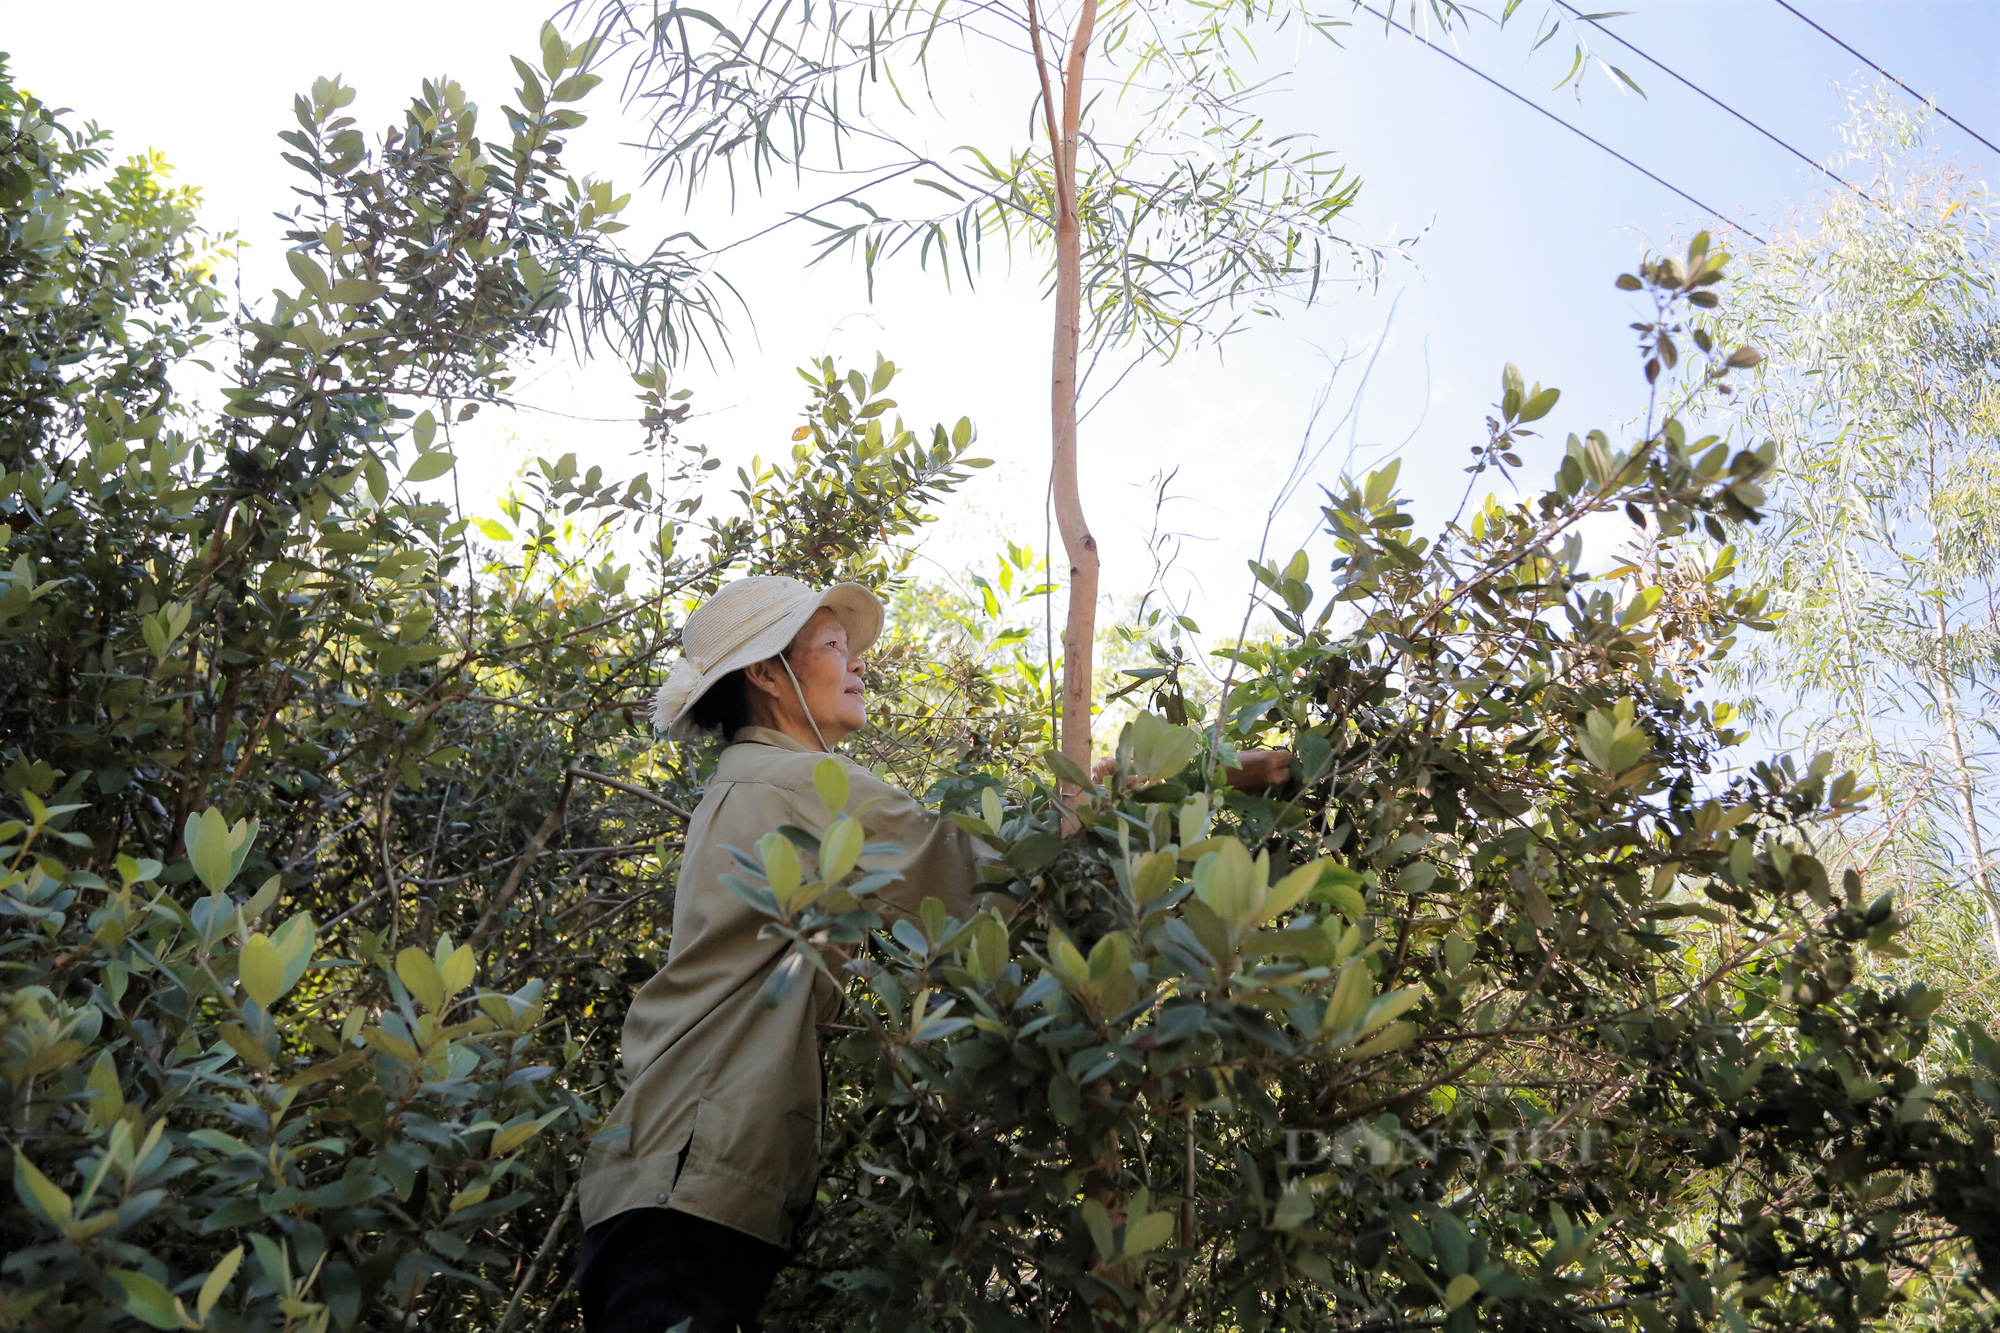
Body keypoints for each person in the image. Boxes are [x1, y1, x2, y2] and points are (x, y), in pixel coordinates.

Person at [576, 575, 1289, 1333]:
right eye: (832, 647)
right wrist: (1165, 782)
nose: (857, 666)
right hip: (687, 1182)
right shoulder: (798, 780)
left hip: (670, 1176)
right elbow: (981, 867)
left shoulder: (747, 780)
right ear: (763, 673)